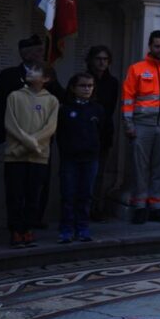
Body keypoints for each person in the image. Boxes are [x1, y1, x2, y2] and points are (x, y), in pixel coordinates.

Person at [0, 35, 64, 229]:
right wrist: (4, 136)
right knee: (16, 189)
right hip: (15, 142)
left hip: (41, 146)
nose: (42, 54)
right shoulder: (9, 75)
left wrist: (50, 77)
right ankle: (16, 226)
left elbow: (59, 101)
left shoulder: (49, 74)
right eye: (38, 50)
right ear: (25, 53)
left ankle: (34, 220)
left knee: (38, 187)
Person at [122, 30, 160, 225]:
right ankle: (140, 206)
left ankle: (157, 206)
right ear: (150, 46)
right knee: (140, 168)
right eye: (157, 46)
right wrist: (129, 124)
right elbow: (128, 98)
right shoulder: (136, 69)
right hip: (142, 126)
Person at [3, 64, 59, 248]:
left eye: (36, 71)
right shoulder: (15, 96)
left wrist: (34, 143)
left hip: (39, 156)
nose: (30, 72)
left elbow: (50, 128)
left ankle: (28, 229)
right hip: (15, 157)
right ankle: (15, 231)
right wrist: (24, 146)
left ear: (46, 79)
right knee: (15, 195)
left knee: (33, 196)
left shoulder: (51, 101)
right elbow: (11, 124)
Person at [56, 73, 103, 244]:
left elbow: (103, 132)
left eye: (90, 86)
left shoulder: (97, 109)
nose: (87, 89)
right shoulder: (66, 109)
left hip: (90, 158)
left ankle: (82, 228)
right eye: (83, 86)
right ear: (73, 88)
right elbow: (60, 134)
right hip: (70, 158)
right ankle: (66, 229)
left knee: (86, 194)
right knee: (68, 194)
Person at [85, 45, 119, 221]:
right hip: (83, 134)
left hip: (103, 133)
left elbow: (110, 108)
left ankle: (95, 208)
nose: (102, 63)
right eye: (98, 59)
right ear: (91, 60)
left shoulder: (112, 83)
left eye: (105, 60)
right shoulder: (82, 80)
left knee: (98, 174)